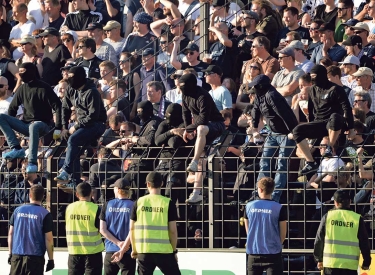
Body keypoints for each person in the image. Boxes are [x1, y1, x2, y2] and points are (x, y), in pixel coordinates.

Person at [293, 65, 355, 175]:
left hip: (336, 122)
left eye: (315, 76)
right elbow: (312, 111)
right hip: (320, 123)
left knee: (335, 116)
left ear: (322, 75)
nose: (313, 79)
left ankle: (330, 147)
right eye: (311, 77)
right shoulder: (312, 89)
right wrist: (310, 127)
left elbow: (347, 108)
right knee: (297, 131)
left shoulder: (336, 89)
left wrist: (350, 128)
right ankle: (310, 162)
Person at [0, 63, 62, 173]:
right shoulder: (22, 88)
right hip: (26, 125)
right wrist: (13, 125)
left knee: (34, 126)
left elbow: (57, 105)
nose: (20, 74)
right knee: (1, 117)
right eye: (20, 71)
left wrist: (58, 127)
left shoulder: (44, 87)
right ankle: (16, 148)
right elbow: (12, 109)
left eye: (23, 71)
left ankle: (32, 163)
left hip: (44, 125)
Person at [55, 66, 107, 184]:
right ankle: (75, 181)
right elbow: (65, 107)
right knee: (75, 150)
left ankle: (66, 170)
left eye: (72, 77)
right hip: (82, 124)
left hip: (97, 124)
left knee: (73, 140)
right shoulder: (71, 90)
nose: (70, 80)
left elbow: (93, 117)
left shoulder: (92, 92)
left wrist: (76, 126)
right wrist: (64, 126)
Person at [251, 74, 298, 202]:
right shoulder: (260, 96)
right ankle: (259, 192)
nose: (253, 88)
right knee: (264, 161)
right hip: (273, 133)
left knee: (281, 163)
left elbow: (285, 114)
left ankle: (275, 196)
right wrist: (255, 129)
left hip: (286, 134)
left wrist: (293, 132)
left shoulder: (272, 95)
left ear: (260, 86)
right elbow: (255, 111)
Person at [128, 172, 181, 275]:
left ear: (148, 184)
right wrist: (173, 251)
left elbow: (131, 229)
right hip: (164, 251)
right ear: (162, 184)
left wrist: (134, 249)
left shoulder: (139, 202)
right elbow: (173, 231)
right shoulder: (168, 203)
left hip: (144, 250)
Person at [313, 189, 371, 274]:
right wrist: (366, 261)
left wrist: (319, 259)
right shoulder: (357, 219)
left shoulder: (328, 217)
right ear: (350, 202)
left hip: (331, 265)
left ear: (335, 203)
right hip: (350, 266)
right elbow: (364, 242)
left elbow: (319, 239)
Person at [244, 177, 287, 275]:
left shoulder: (249, 206)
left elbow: (248, 230)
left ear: (260, 189)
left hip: (254, 251)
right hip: (273, 253)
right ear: (272, 190)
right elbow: (283, 235)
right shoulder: (279, 208)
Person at [8, 184, 54, 275]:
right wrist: (51, 259)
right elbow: (49, 239)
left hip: (17, 256)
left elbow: (11, 233)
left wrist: (10, 253)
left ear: (29, 195)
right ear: (43, 197)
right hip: (35, 258)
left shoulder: (17, 211)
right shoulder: (45, 214)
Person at [65, 182, 104, 275]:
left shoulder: (69, 208)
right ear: (91, 193)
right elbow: (102, 229)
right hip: (93, 253)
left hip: (74, 252)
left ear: (77, 194)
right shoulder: (96, 209)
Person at [100, 178, 136, 275]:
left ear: (116, 189)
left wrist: (118, 243)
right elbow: (133, 230)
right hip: (128, 251)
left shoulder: (107, 204)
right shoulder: (134, 205)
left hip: (110, 250)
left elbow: (102, 229)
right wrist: (123, 247)